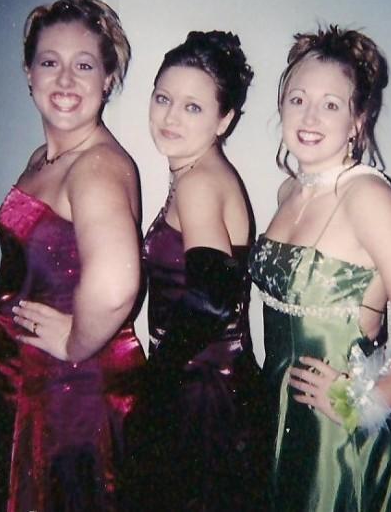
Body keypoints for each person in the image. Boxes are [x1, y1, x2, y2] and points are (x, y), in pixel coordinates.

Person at [0, 0, 146, 511]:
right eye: (49, 62)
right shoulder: (45, 157)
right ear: (29, 73)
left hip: (65, 399)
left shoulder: (96, 167)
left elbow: (118, 282)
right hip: (17, 378)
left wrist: (78, 342)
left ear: (108, 79)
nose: (64, 80)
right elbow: (16, 279)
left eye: (84, 65)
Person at [248, 26, 391, 511]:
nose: (309, 116)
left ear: (358, 121)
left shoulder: (367, 196)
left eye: (331, 104)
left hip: (336, 440)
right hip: (280, 418)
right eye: (297, 99)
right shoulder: (290, 192)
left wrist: (366, 402)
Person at [122, 30, 268, 511]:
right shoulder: (194, 172)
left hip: (203, 391)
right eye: (163, 98)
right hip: (205, 382)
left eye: (192, 107)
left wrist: (153, 380)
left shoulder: (200, 182)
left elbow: (211, 297)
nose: (169, 116)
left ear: (224, 119)